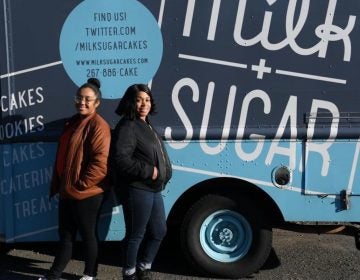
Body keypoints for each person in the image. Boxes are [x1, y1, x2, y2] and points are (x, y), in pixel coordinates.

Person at [39, 78, 111, 280]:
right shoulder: (72, 122)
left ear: (97, 103)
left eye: (88, 99)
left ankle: (90, 275)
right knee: (66, 236)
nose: (82, 102)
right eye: (79, 98)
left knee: (88, 235)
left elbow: (100, 163)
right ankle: (53, 275)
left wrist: (80, 185)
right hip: (68, 190)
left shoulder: (99, 126)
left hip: (87, 193)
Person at [111, 84, 172, 280]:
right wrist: (149, 171)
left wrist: (166, 171)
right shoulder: (128, 125)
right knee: (136, 234)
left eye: (147, 99)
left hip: (153, 189)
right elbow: (121, 160)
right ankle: (129, 274)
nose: (144, 103)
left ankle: (143, 266)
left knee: (159, 231)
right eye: (139, 100)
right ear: (131, 102)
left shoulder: (146, 125)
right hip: (137, 188)